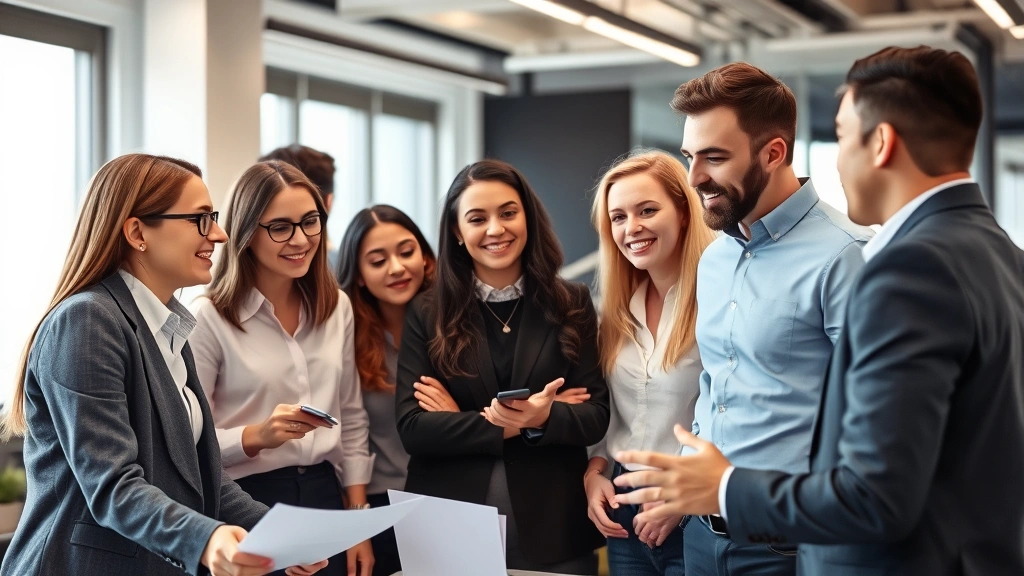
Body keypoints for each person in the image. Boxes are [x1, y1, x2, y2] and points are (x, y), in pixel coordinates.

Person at [613, 46, 1024, 576]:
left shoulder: (891, 264)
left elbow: (877, 485)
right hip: (707, 536)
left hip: (800, 543)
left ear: (880, 142)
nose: (693, 178)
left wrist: (728, 487)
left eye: (841, 134)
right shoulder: (999, 252)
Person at [0, 154, 326, 576]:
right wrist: (206, 539)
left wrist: (278, 534)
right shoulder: (87, 320)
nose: (221, 234)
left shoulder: (167, 327)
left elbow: (202, 477)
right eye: (201, 219)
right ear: (137, 232)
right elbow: (113, 485)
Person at [624, 63, 872, 576]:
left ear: (774, 152)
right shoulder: (715, 258)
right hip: (700, 536)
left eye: (715, 158)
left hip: (787, 546)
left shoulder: (845, 256)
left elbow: (868, 422)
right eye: (690, 157)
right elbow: (718, 389)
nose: (694, 179)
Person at [395, 159, 610, 574]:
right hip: (447, 524)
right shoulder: (427, 311)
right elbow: (413, 428)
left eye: (508, 213)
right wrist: (533, 419)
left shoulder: (572, 301)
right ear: (458, 232)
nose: (496, 229)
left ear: (527, 217)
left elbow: (595, 415)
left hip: (554, 528)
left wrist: (462, 421)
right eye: (477, 218)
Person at [191, 160, 373, 576]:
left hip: (326, 496)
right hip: (245, 500)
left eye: (310, 222)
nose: (302, 239)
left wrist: (357, 519)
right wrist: (258, 436)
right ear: (246, 232)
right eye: (281, 227)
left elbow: (351, 415)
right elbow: (186, 445)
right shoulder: (209, 317)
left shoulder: (336, 307)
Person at [585, 149, 716, 575]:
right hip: (625, 512)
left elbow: (733, 413)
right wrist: (595, 470)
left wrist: (682, 499)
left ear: (683, 212)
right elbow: (614, 413)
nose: (631, 228)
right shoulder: (615, 313)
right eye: (618, 217)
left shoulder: (717, 301)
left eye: (646, 210)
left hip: (694, 512)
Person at [336, 204, 437, 576]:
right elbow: (351, 430)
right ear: (359, 275)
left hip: (450, 498)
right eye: (377, 261)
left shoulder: (456, 325)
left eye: (406, 252)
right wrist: (358, 523)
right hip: (378, 504)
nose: (397, 268)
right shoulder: (347, 336)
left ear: (426, 258)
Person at [260, 145, 340, 271]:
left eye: (310, 221)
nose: (300, 241)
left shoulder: (339, 279)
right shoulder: (347, 270)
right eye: (280, 227)